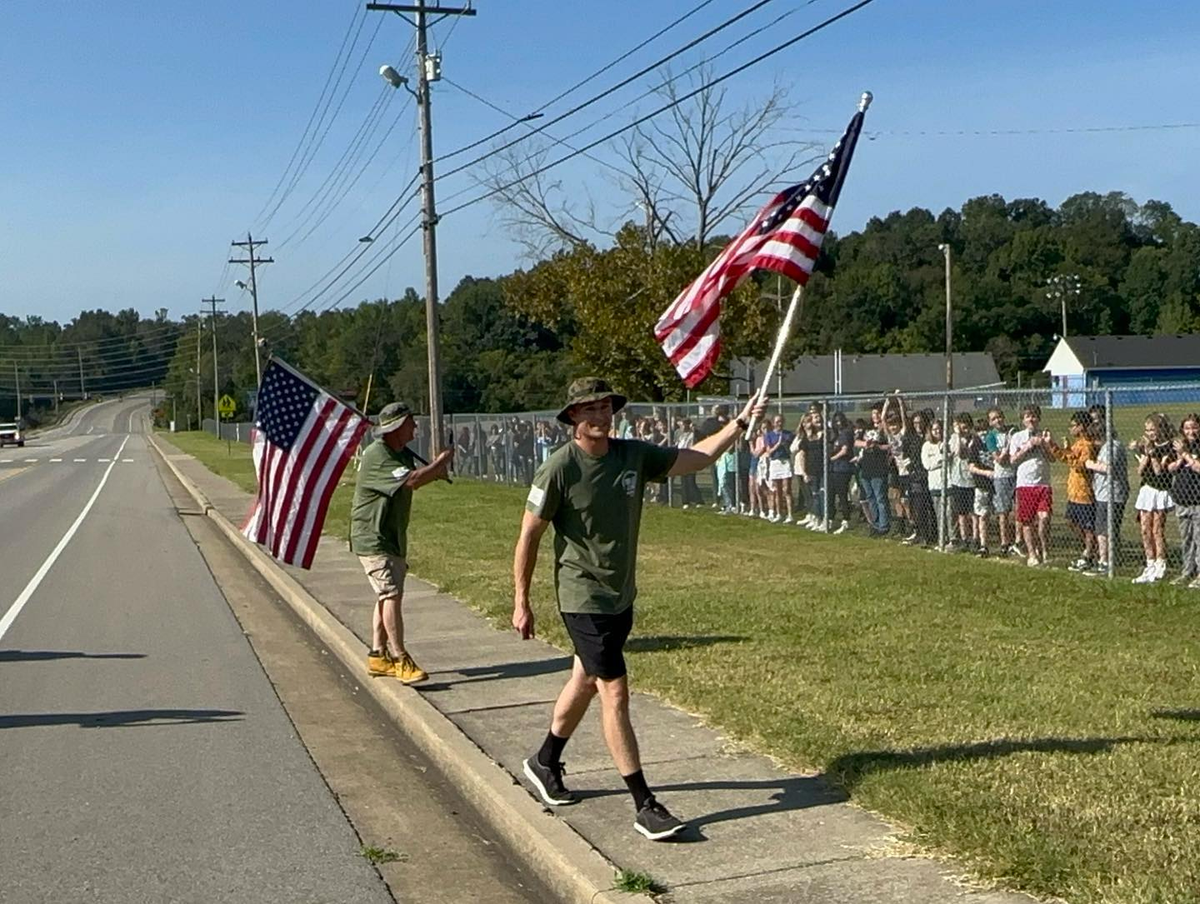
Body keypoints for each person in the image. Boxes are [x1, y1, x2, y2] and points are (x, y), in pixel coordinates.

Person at [512, 377, 765, 841]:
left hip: (620, 595)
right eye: (591, 409)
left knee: (584, 680)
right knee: (615, 692)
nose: (601, 416)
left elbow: (699, 458)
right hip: (582, 596)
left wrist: (740, 424)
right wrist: (521, 600)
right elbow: (529, 534)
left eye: (606, 407)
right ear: (573, 417)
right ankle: (644, 804)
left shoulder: (633, 455)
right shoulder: (559, 468)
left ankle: (545, 761)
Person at [353, 401, 454, 683]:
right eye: (410, 422)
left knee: (387, 594)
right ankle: (400, 658)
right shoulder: (378, 455)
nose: (415, 427)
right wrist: (442, 461)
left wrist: (435, 471)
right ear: (396, 427)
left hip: (392, 537)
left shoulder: (400, 454)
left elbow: (415, 478)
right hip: (373, 536)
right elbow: (411, 481)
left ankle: (378, 655)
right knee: (391, 594)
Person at [1047, 412, 1098, 572]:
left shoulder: (1087, 446)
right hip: (1073, 492)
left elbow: (1081, 465)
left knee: (1087, 526)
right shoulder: (1077, 444)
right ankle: (1090, 548)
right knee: (1071, 521)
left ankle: (1089, 553)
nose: (1071, 429)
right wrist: (1055, 446)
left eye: (1073, 425)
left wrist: (1069, 455)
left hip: (1084, 493)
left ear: (1081, 426)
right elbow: (1067, 458)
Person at [1131, 413, 1176, 584]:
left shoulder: (1168, 447)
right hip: (1146, 489)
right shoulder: (1147, 446)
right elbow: (1140, 471)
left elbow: (1158, 471)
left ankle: (1160, 563)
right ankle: (1149, 563)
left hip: (1160, 490)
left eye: (1153, 430)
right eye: (1147, 430)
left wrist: (1152, 454)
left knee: (1157, 529)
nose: (1150, 433)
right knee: (1145, 529)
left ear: (1160, 429)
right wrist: (1143, 453)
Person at [1010, 404, 1053, 567]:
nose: (1031, 419)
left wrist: (1044, 444)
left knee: (1044, 518)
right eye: (1027, 416)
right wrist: (1027, 446)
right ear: (1023, 420)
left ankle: (1044, 549)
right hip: (1025, 484)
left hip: (1043, 484)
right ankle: (1032, 554)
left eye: (1034, 416)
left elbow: (1052, 458)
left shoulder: (1044, 435)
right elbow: (1012, 460)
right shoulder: (1017, 437)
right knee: (1027, 521)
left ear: (1039, 418)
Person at [1085, 416, 1128, 576]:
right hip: (1102, 494)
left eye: (1094, 438)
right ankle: (1106, 560)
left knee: (1105, 530)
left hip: (1112, 495)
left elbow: (1109, 468)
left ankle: (1105, 562)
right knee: (1101, 529)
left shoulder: (1113, 446)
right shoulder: (1105, 447)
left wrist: (1091, 465)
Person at [1167, 413, 1200, 588]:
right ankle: (1187, 571)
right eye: (1187, 428)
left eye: (1194, 427)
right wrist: (1180, 457)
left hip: (1198, 500)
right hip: (1182, 500)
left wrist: (1186, 455)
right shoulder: (1180, 446)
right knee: (1186, 539)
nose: (1191, 431)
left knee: (1199, 539)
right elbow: (1170, 468)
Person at [985, 408, 1020, 557]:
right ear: (990, 422)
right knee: (1003, 511)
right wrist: (1007, 446)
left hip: (1017, 474)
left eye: (999, 417)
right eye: (993, 419)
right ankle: (1004, 542)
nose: (997, 420)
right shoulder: (991, 437)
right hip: (1002, 476)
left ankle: (1018, 541)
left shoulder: (1012, 431)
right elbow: (999, 459)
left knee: (1018, 510)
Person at [947, 413, 977, 551]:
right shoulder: (954, 438)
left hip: (971, 480)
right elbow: (957, 452)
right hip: (957, 479)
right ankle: (964, 538)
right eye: (960, 427)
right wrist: (958, 436)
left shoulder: (974, 439)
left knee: (974, 512)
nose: (963, 430)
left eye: (965, 428)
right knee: (961, 512)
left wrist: (964, 437)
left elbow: (964, 454)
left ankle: (975, 538)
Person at [968, 417, 995, 557]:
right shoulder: (975, 445)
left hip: (996, 484)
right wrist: (986, 473)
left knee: (999, 514)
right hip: (981, 484)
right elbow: (971, 467)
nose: (983, 433)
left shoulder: (994, 443)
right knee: (983, 515)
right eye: (980, 431)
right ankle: (984, 545)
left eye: (985, 430)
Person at [921, 418, 948, 549]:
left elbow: (951, 459)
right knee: (939, 513)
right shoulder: (927, 446)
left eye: (939, 429)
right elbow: (928, 465)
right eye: (934, 429)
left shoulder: (947, 443)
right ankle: (942, 538)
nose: (937, 431)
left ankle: (952, 539)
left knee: (949, 513)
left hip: (948, 483)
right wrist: (941, 459)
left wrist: (942, 460)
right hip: (935, 484)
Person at [764, 414, 795, 523]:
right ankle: (779, 513)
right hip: (775, 462)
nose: (779, 424)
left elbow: (791, 448)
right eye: (777, 422)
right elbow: (769, 451)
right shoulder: (769, 435)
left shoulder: (788, 434)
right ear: (773, 423)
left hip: (785, 462)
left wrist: (785, 444)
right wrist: (778, 444)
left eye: (781, 421)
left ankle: (790, 514)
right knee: (777, 490)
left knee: (787, 489)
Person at [828, 411, 855, 534]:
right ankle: (830, 518)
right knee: (830, 494)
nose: (838, 423)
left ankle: (846, 519)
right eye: (836, 421)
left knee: (842, 494)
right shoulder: (835, 435)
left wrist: (832, 458)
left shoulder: (846, 433)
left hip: (843, 468)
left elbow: (845, 450)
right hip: (834, 468)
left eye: (840, 421)